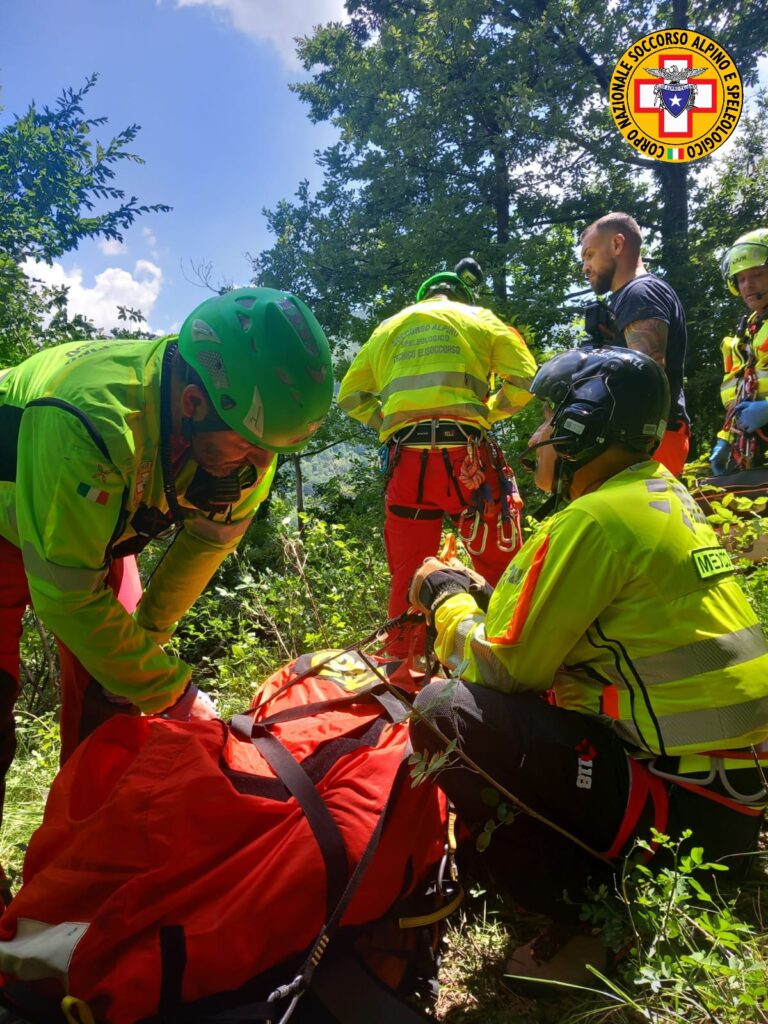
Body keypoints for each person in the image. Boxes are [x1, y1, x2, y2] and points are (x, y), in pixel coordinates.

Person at [407, 347, 768, 990]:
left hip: (684, 817)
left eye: (547, 418)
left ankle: (585, 920)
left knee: (445, 708)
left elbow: (503, 670)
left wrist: (445, 599)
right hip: (732, 802)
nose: (537, 435)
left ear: (583, 421)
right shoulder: (661, 496)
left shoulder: (594, 520)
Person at [0, 286, 333, 820]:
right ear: (192, 403)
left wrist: (147, 648)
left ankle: (83, 848)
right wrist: (173, 691)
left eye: (269, 450)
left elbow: (203, 547)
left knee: (112, 692)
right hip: (14, 512)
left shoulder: (250, 435)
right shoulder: (91, 420)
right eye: (248, 447)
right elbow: (67, 600)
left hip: (89, 528)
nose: (258, 465)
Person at [337, 260, 537, 659]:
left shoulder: (387, 330)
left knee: (409, 575)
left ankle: (403, 668)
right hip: (467, 460)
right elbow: (528, 380)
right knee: (499, 563)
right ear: (461, 297)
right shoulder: (480, 319)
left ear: (424, 296)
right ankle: (512, 655)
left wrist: (388, 425)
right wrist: (489, 413)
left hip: (406, 463)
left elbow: (350, 397)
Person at [580, 212, 690, 476]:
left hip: (650, 440)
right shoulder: (628, 298)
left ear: (617, 245)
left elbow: (647, 375)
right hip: (644, 439)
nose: (585, 267)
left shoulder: (640, 293)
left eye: (589, 255)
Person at [710, 228, 768, 476]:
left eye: (756, 275)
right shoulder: (748, 330)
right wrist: (725, 438)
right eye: (741, 279)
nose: (747, 285)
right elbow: (740, 394)